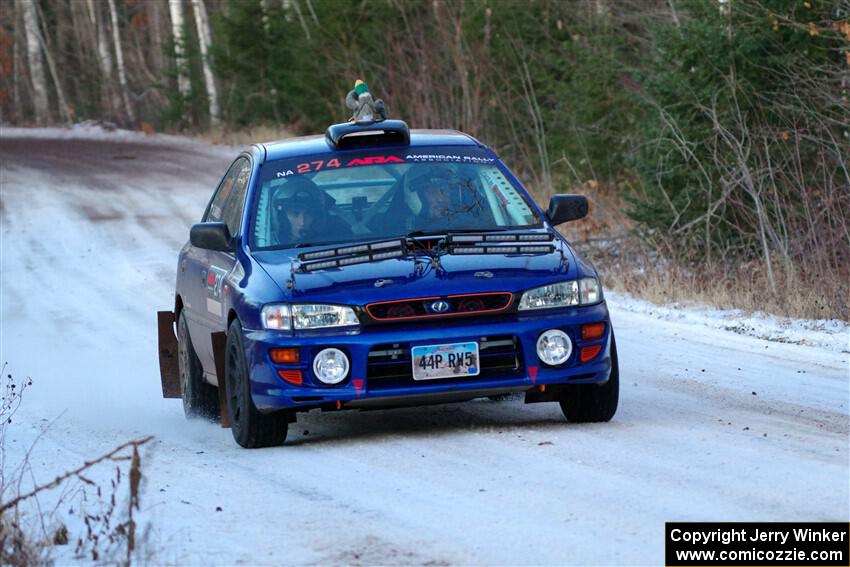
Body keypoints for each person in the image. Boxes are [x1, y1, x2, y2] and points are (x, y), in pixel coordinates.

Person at [270, 177, 351, 245]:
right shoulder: (265, 241)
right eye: (295, 214)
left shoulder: (335, 236)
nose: (302, 222)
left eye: (308, 214)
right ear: (282, 216)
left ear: (317, 217)